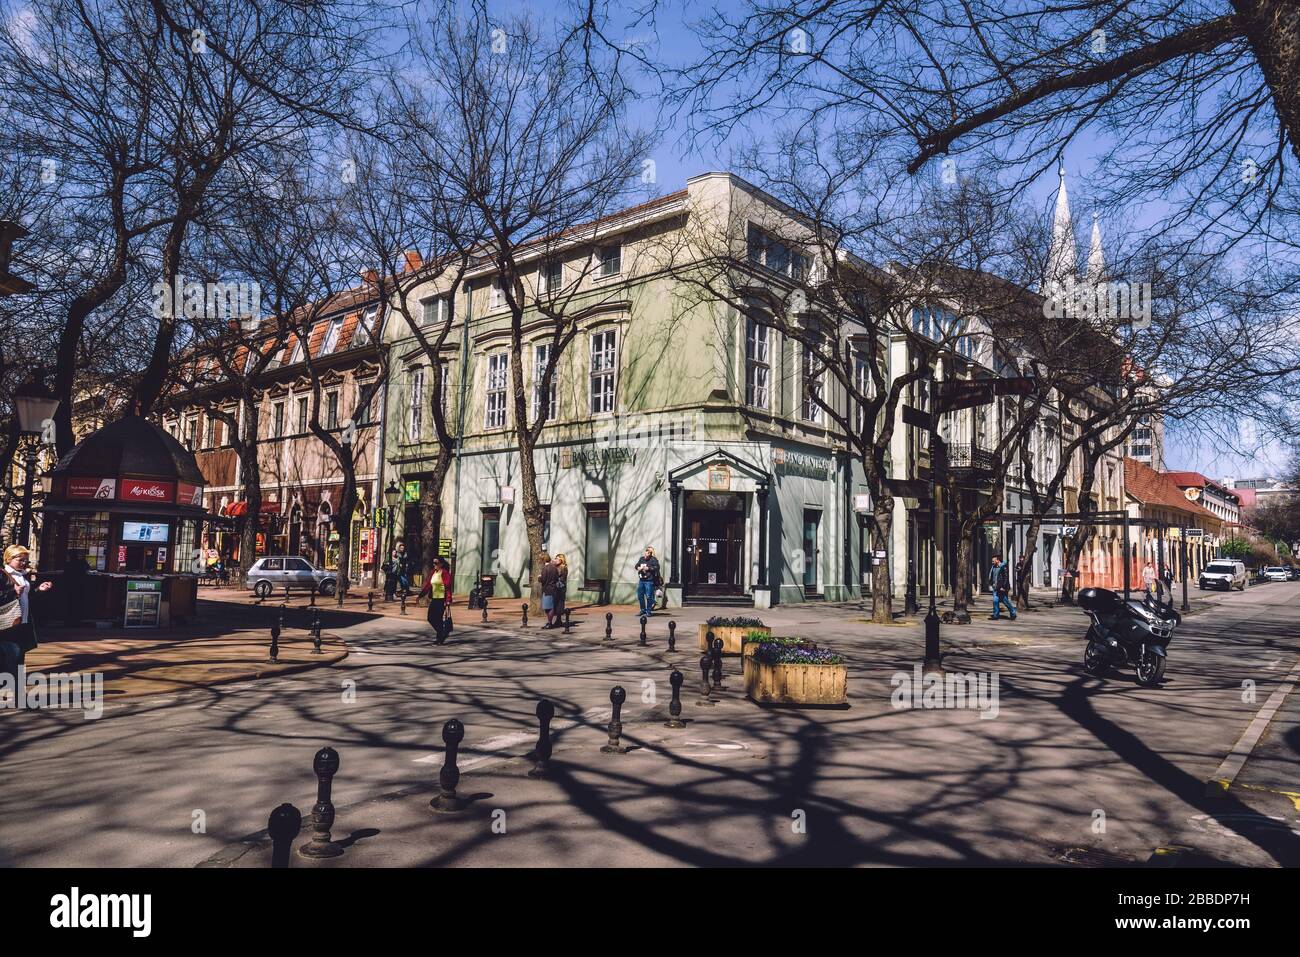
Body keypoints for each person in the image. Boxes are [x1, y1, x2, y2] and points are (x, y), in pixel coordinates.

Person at [419, 557, 453, 644]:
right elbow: (428, 585)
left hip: (442, 599)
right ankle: (441, 633)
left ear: (441, 564)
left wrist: (448, 600)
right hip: (434, 598)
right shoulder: (433, 572)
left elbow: (448, 588)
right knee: (430, 617)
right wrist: (420, 595)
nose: (434, 565)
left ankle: (439, 638)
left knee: (438, 618)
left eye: (436, 563)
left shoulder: (445, 573)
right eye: (433, 563)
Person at [989, 555, 1017, 621]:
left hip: (1001, 588)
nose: (992, 562)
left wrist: (1003, 587)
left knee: (1005, 601)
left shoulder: (1003, 567)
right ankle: (996, 615)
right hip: (995, 587)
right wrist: (991, 583)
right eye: (992, 561)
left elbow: (1005, 578)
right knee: (995, 601)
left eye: (993, 560)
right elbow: (992, 576)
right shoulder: (993, 567)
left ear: (998, 560)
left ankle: (1013, 613)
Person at [635, 546, 660, 617]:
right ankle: (643, 610)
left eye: (648, 553)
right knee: (640, 595)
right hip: (641, 580)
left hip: (649, 580)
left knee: (649, 596)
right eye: (646, 553)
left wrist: (648, 568)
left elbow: (657, 567)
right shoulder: (641, 559)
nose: (646, 555)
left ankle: (648, 611)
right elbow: (636, 565)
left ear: (650, 554)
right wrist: (638, 567)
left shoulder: (653, 559)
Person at [537, 552, 557, 628]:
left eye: (541, 559)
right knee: (550, 606)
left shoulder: (545, 568)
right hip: (553, 588)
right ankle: (549, 623)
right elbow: (556, 577)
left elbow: (543, 579)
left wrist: (539, 577)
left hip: (547, 589)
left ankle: (549, 623)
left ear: (543, 560)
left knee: (548, 607)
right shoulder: (554, 567)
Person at [553, 553, 568, 625]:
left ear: (561, 560)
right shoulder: (557, 567)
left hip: (560, 588)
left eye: (557, 558)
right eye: (555, 558)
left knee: (559, 603)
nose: (555, 560)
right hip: (556, 587)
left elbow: (558, 576)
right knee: (556, 603)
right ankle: (557, 620)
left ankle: (558, 620)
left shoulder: (563, 567)